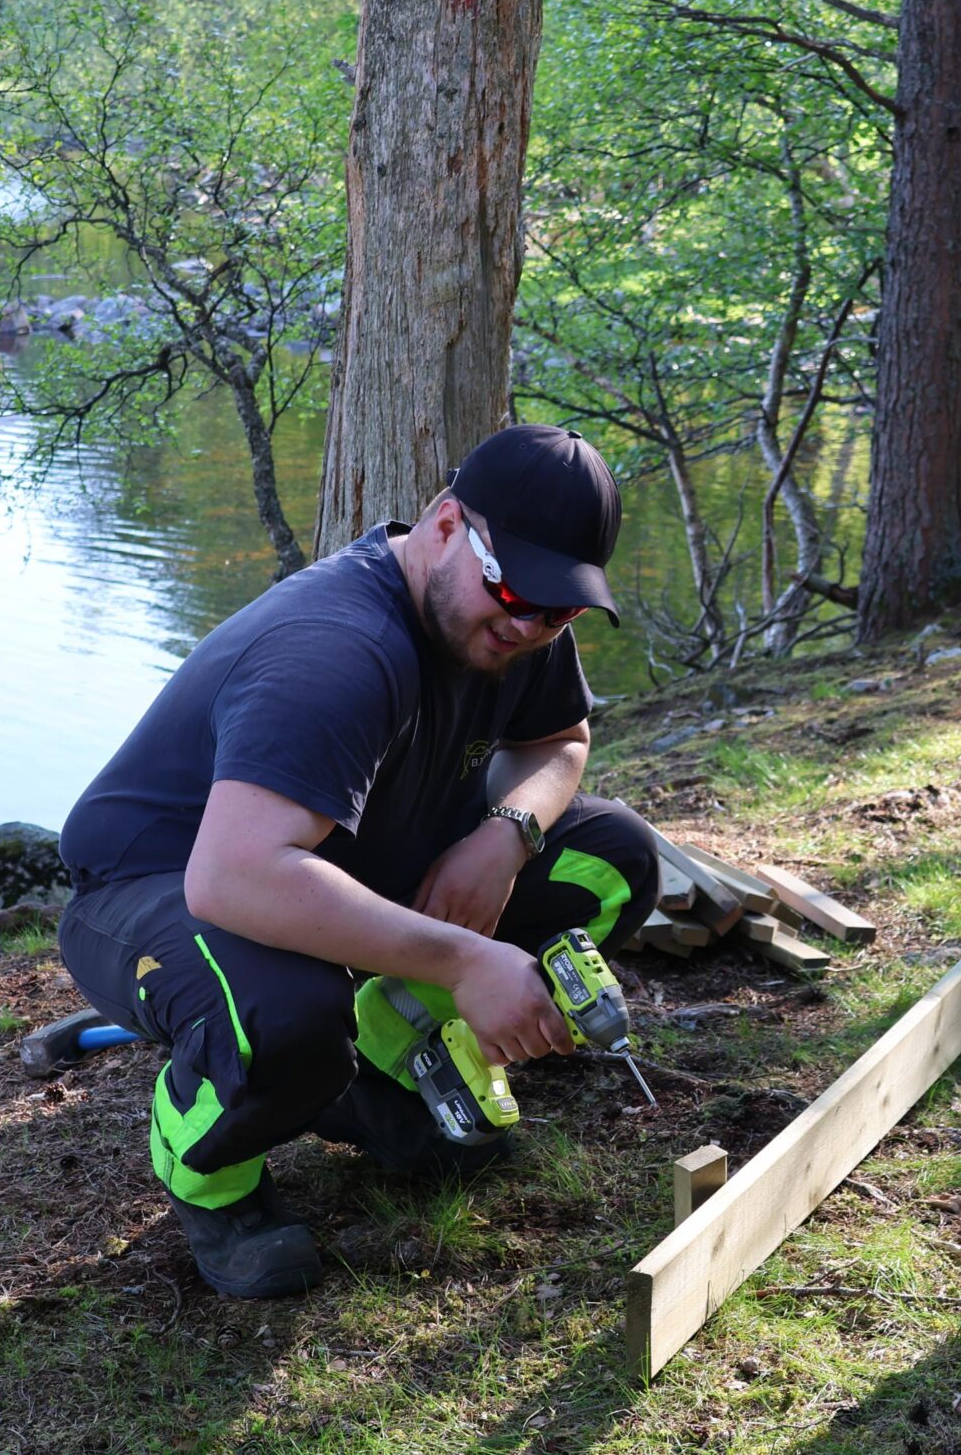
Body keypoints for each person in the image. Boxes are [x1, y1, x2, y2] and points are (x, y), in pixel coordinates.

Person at [54, 424, 660, 1299]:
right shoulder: (335, 648)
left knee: (613, 859)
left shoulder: (524, 619)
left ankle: (382, 1050)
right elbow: (231, 874)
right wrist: (466, 957)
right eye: (515, 592)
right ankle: (206, 1170)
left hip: (339, 857)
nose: (530, 625)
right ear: (446, 525)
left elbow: (561, 739)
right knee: (292, 1019)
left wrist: (506, 834)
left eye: (560, 609)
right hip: (163, 884)